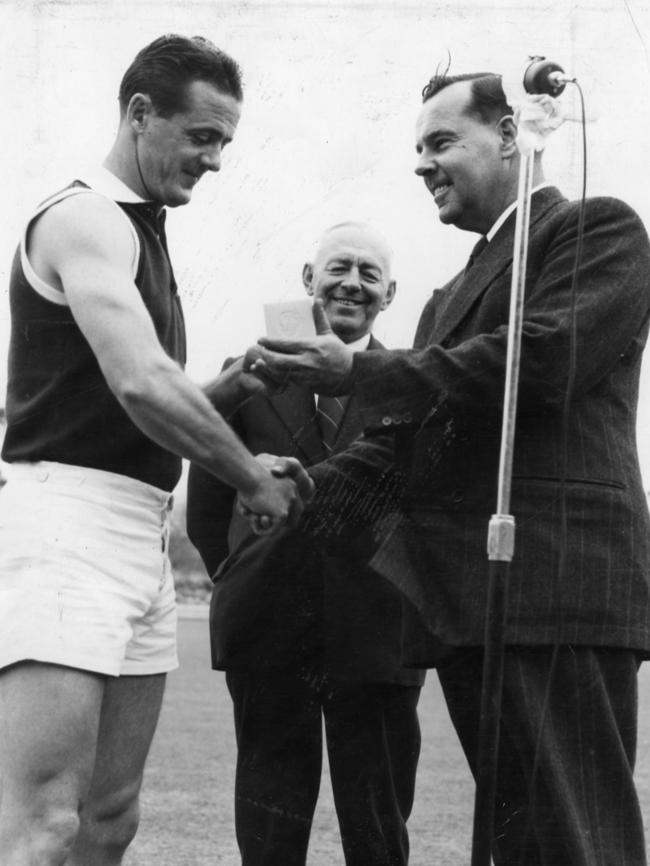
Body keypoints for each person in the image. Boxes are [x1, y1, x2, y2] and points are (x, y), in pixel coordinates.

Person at [251, 73, 650, 865]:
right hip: (475, 608)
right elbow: (400, 448)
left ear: (509, 135)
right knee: (528, 845)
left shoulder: (598, 231)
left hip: (558, 591)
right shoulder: (447, 297)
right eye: (417, 149)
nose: (423, 165)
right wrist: (296, 486)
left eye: (440, 142)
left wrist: (360, 373)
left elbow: (536, 364)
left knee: (575, 842)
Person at [0, 34, 312, 866]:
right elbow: (142, 383)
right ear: (141, 115)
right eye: (202, 135)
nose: (215, 159)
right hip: (61, 524)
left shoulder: (145, 229)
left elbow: (126, 412)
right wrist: (247, 472)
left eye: (226, 142)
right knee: (43, 827)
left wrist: (240, 386)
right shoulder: (82, 216)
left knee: (111, 820)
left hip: (134, 528)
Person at [186, 221, 425, 866]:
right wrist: (244, 572)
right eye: (338, 268)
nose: (351, 283)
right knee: (268, 827)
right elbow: (206, 510)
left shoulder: (410, 381)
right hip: (266, 627)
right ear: (308, 280)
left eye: (368, 274)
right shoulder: (247, 378)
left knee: (377, 829)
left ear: (390, 292)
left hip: (378, 633)